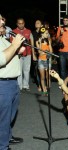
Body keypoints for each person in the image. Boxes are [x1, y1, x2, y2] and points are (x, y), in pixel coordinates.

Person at [0, 16, 25, 150]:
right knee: (3, 119)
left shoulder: (2, 39)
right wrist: (15, 45)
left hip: (12, 83)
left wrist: (17, 51)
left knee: (10, 115)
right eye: (0, 19)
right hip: (3, 84)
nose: (3, 21)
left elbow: (8, 54)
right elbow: (1, 59)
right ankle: (3, 146)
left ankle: (7, 137)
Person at [12, 17, 36, 91]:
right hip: (18, 55)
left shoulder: (28, 31)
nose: (21, 25)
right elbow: (12, 44)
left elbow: (32, 43)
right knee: (19, 71)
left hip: (28, 54)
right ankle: (20, 86)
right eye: (19, 23)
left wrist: (33, 54)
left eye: (22, 23)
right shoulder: (13, 31)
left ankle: (26, 85)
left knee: (26, 70)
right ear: (17, 24)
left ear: (24, 23)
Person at [36, 27, 53, 96]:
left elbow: (51, 52)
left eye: (48, 33)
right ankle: (44, 90)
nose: (48, 34)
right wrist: (40, 43)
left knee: (48, 77)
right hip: (41, 61)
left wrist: (49, 43)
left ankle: (48, 89)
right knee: (42, 77)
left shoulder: (49, 41)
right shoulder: (37, 42)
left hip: (48, 60)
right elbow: (39, 52)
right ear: (42, 34)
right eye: (46, 33)